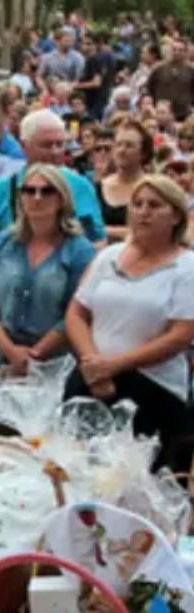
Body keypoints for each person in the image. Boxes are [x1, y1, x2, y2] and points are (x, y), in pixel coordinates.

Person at [66, 174, 194, 471]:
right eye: (137, 204)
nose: (143, 211)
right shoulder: (108, 257)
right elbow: (77, 312)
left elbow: (180, 335)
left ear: (175, 215)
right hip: (93, 378)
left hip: (152, 388)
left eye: (154, 205)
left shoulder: (186, 267)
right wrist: (93, 362)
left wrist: (115, 365)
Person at [0, 164, 97, 386]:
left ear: (61, 198)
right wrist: (10, 350)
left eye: (46, 191)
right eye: (29, 191)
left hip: (54, 360)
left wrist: (36, 354)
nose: (37, 197)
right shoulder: (3, 243)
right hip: (0, 354)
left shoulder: (79, 250)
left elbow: (77, 311)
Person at [0, 109, 106, 256]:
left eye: (60, 144)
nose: (55, 152)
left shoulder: (81, 186)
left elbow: (98, 241)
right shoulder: (1, 191)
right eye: (47, 145)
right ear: (24, 146)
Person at [97, 117, 153, 241]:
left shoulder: (154, 188)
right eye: (118, 144)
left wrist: (105, 231)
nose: (122, 150)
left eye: (129, 145)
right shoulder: (97, 187)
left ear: (143, 152)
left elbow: (152, 231)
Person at [148, 37, 194, 122]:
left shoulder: (191, 70)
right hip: (162, 113)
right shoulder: (158, 68)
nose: (177, 52)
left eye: (180, 50)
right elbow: (149, 88)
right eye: (174, 49)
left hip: (184, 113)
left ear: (185, 52)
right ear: (170, 50)